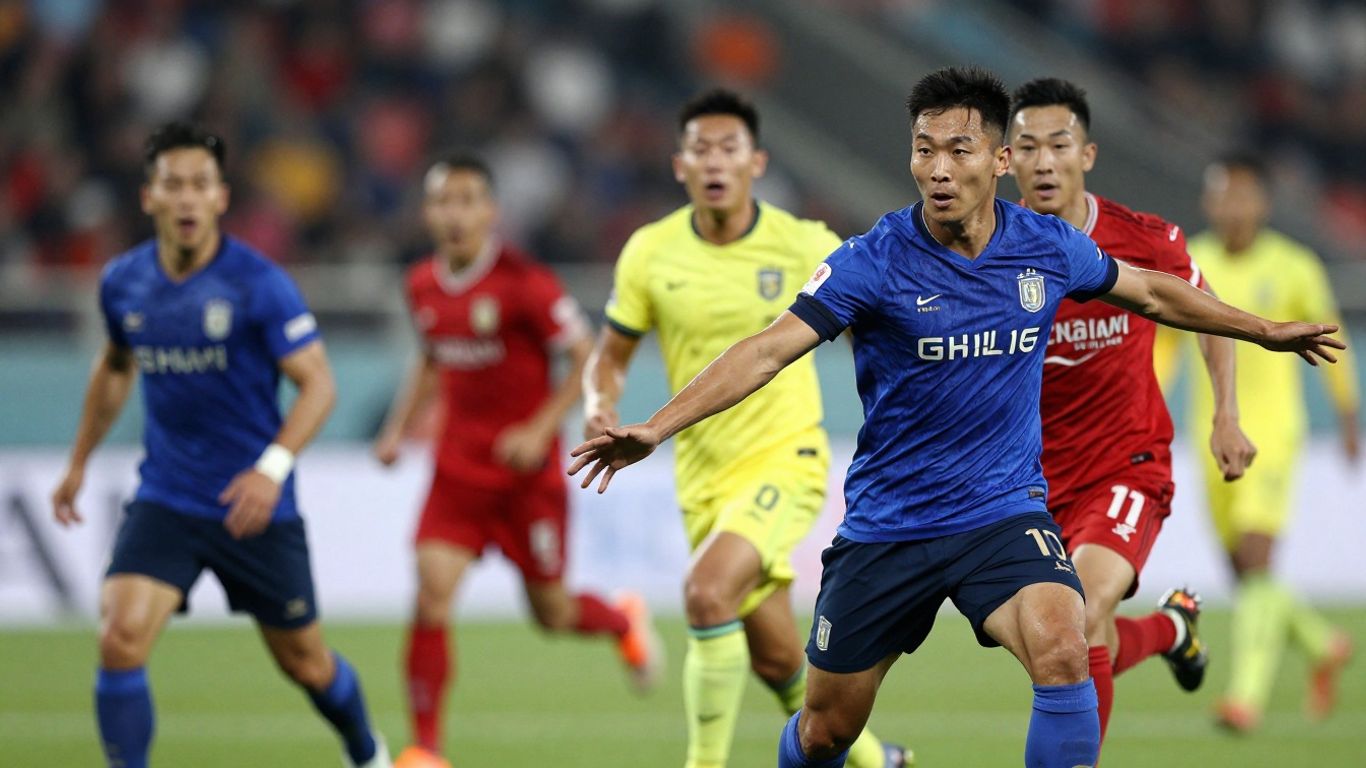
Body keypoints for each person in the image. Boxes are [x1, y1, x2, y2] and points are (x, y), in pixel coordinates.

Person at [567, 67, 1346, 768]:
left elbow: (1152, 291)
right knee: (824, 732)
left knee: (1064, 645)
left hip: (1001, 516)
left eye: (960, 150)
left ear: (998, 162)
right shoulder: (872, 258)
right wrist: (655, 427)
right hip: (890, 525)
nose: (939, 170)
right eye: (924, 150)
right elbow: (768, 351)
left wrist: (1264, 330)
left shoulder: (1044, 246)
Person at [581, 88, 907, 768]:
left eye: (729, 149)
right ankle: (880, 762)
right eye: (701, 150)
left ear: (756, 161)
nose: (714, 162)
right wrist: (598, 403)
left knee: (706, 592)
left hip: (783, 459)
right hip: (700, 475)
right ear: (680, 166)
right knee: (775, 656)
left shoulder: (802, 243)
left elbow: (877, 320)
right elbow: (609, 358)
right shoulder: (650, 252)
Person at [50, 122, 389, 768]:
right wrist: (77, 464)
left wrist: (271, 469)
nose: (186, 199)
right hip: (169, 495)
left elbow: (318, 386)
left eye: (199, 185)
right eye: (172, 185)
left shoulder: (258, 284)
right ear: (149, 196)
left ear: (221, 198)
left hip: (255, 504)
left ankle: (366, 751)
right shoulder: (124, 282)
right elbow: (116, 368)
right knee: (120, 638)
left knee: (308, 664)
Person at [372, 154, 661, 768]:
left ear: (491, 211)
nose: (456, 213)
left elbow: (585, 354)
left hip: (525, 480)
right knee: (430, 594)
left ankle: (620, 620)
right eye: (444, 201)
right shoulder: (420, 284)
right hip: (456, 472)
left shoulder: (525, 283)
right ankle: (425, 749)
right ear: (428, 212)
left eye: (469, 199)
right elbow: (428, 357)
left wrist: (538, 427)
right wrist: (398, 429)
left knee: (551, 613)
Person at [1007, 77, 1258, 747]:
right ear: (1007, 161)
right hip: (1031, 483)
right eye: (1026, 147)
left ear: (1086, 154)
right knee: (1058, 642)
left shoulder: (1143, 240)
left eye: (1058, 144)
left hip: (1127, 464)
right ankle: (1171, 630)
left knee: (1080, 610)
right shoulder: (988, 251)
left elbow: (1209, 317)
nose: (1044, 161)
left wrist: (1224, 415)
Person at [1185, 152, 1358, 733]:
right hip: (1210, 434)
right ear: (1209, 201)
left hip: (1275, 437)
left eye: (1242, 195)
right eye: (1222, 195)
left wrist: (1348, 415)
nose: (1231, 206)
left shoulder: (1293, 265)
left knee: (1258, 561)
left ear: (1261, 201)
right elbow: (1161, 343)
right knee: (1245, 576)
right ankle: (1322, 642)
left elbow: (1335, 343)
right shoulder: (1192, 261)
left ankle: (1245, 700)